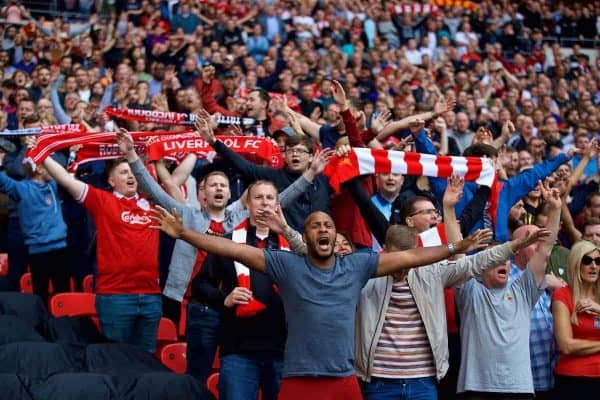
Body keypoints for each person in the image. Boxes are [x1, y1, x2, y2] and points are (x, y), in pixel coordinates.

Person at [150, 205, 491, 400]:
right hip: (298, 380)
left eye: (328, 225)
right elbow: (233, 249)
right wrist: (184, 234)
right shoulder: (287, 264)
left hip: (344, 381)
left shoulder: (357, 265)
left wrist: (452, 249)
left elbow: (410, 257)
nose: (323, 229)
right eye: (315, 226)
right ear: (306, 235)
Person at [356, 224, 549, 400]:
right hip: (379, 382)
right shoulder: (362, 275)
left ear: (418, 252)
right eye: (396, 258)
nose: (401, 265)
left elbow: (477, 262)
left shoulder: (432, 272)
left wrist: (514, 245)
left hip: (423, 381)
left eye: (409, 259)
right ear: (384, 249)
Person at [42, 151, 162, 353]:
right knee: (116, 361)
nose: (131, 175)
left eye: (133, 171)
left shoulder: (155, 205)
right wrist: (42, 154)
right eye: (124, 172)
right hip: (116, 297)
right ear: (111, 181)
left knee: (148, 362)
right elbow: (65, 180)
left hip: (151, 297)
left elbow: (177, 185)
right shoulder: (102, 200)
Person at [454, 183, 561, 399]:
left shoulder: (523, 290)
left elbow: (545, 251)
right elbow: (457, 253)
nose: (502, 263)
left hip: (519, 390)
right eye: (494, 259)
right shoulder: (470, 291)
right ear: (481, 266)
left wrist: (555, 209)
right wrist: (448, 208)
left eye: (505, 258)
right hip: (476, 390)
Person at [195, 180, 288, 400]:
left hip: (283, 351)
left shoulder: (293, 245)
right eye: (258, 197)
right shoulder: (228, 243)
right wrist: (224, 298)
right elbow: (199, 285)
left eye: (269, 198)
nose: (264, 203)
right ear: (247, 203)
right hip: (239, 349)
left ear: (277, 205)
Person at [0, 143, 70, 304]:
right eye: (48, 166)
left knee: (64, 293)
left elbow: (67, 171)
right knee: (41, 295)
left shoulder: (53, 185)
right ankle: (44, 325)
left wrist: (40, 145)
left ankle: (66, 326)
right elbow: (3, 183)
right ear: (39, 169)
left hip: (61, 249)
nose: (54, 169)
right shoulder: (22, 189)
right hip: (38, 251)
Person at [552, 240, 600, 396]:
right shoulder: (563, 295)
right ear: (576, 264)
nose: (594, 266)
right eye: (587, 261)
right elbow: (566, 345)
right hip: (576, 379)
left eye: (598, 261)